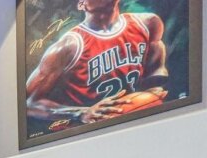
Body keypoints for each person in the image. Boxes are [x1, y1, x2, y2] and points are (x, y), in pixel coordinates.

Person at [25, 0, 168, 127]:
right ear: (81, 4)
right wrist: (80, 113)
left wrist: (154, 89)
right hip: (88, 131)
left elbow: (156, 70)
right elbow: (29, 104)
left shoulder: (148, 23)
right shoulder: (67, 47)